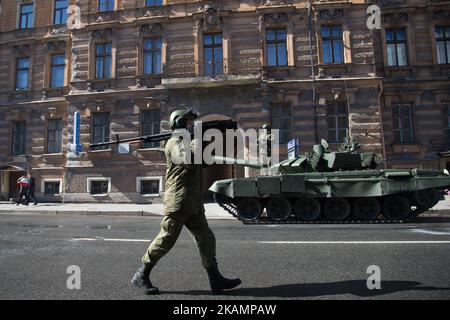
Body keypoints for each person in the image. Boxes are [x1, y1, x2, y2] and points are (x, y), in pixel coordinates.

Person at [131, 109, 241, 295]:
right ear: (180, 123)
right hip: (179, 201)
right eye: (189, 122)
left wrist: (206, 139)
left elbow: (203, 161)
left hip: (193, 202)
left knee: (206, 238)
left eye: (193, 123)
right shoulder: (175, 143)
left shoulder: (188, 141)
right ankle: (141, 275)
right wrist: (197, 137)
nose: (192, 125)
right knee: (166, 238)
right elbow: (190, 160)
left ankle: (215, 280)